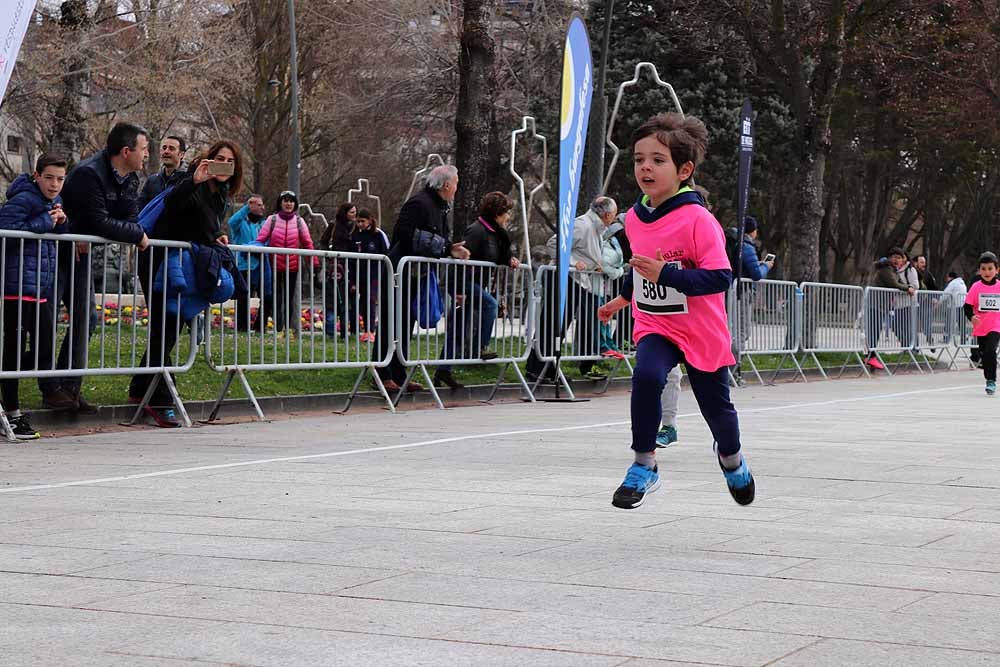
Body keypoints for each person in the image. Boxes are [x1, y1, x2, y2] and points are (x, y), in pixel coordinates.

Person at [597, 112, 754, 509]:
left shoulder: (699, 220)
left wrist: (668, 273)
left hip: (700, 328)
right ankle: (644, 465)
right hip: (657, 323)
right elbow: (641, 271)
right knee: (647, 375)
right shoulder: (634, 218)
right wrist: (623, 298)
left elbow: (721, 278)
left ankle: (731, 459)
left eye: (657, 160)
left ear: (684, 170)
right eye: (638, 159)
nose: (645, 167)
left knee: (717, 412)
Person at [128, 139, 244, 426]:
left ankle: (140, 390)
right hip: (161, 261)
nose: (224, 165)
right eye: (220, 158)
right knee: (164, 329)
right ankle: (160, 398)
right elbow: (175, 207)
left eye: (230, 161)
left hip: (184, 264)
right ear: (208, 158)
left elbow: (200, 225)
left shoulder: (222, 193)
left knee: (168, 330)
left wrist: (216, 234)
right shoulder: (190, 180)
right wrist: (194, 180)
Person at [39, 122, 151, 414]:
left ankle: (70, 388)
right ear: (126, 151)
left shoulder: (129, 179)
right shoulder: (90, 173)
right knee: (48, 319)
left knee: (86, 318)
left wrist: (128, 230)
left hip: (82, 253)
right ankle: (50, 388)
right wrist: (134, 236)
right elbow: (100, 221)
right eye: (143, 149)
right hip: (59, 249)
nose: (146, 155)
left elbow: (130, 218)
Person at [378, 165, 470, 393]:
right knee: (391, 323)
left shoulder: (440, 207)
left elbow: (438, 240)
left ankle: (399, 374)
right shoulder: (420, 203)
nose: (457, 188)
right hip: (400, 272)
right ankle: (383, 374)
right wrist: (446, 247)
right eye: (456, 183)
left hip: (415, 272)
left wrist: (448, 248)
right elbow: (403, 234)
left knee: (405, 325)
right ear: (446, 185)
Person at [0, 155, 69, 439]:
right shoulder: (24, 199)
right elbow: (5, 230)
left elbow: (53, 233)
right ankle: (13, 413)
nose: (55, 184)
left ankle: (7, 394)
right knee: (14, 350)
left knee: (42, 352)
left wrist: (62, 222)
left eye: (60, 179)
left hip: (38, 289)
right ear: (36, 175)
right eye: (49, 177)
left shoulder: (51, 202)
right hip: (15, 288)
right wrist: (44, 222)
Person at [433, 191, 520, 390]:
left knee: (459, 327)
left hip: (475, 283)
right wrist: (459, 290)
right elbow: (461, 258)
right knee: (490, 304)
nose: (508, 217)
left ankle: (442, 371)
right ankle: (480, 347)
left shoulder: (497, 233)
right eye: (506, 212)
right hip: (462, 282)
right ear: (497, 212)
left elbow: (497, 256)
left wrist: (510, 259)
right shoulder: (477, 230)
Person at [257, 191, 319, 335]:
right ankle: (278, 329)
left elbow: (307, 243)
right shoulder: (271, 220)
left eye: (291, 201)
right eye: (285, 200)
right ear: (280, 203)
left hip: (292, 267)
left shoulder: (299, 222)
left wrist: (314, 264)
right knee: (276, 299)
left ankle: (288, 330)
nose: (288, 204)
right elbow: (260, 240)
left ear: (295, 204)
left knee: (290, 299)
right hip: (273, 266)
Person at [228, 194, 271, 332]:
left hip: (261, 265)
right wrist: (246, 208)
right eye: (258, 204)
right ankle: (242, 328)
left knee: (267, 296)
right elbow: (231, 222)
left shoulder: (264, 224)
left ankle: (260, 327)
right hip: (244, 265)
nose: (262, 207)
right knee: (243, 298)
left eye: (262, 204)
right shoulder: (240, 224)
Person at [864, 253, 914, 370]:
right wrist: (907, 288)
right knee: (873, 331)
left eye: (900, 258)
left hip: (882, 305)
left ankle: (870, 356)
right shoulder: (886, 269)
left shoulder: (892, 270)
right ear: (890, 258)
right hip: (876, 304)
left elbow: (897, 283)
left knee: (875, 331)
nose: (897, 260)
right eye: (895, 257)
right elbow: (893, 283)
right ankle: (870, 356)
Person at [320, 203, 359, 337]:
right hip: (335, 264)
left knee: (352, 297)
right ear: (345, 213)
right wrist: (328, 256)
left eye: (355, 212)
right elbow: (323, 241)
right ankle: (331, 331)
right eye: (352, 212)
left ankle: (352, 330)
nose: (355, 215)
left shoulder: (356, 226)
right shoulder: (334, 225)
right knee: (333, 295)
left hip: (352, 265)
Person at [964, 252, 1000, 395]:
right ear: (979, 270)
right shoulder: (976, 287)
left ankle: (991, 381)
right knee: (985, 353)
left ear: (997, 270)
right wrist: (972, 316)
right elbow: (966, 306)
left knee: (991, 350)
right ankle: (989, 375)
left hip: (996, 325)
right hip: (981, 326)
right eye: (983, 269)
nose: (987, 272)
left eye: (990, 268)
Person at [350, 208, 388, 343]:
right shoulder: (354, 236)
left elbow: (386, 254)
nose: (360, 224)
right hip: (360, 275)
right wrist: (353, 279)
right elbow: (352, 259)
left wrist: (383, 273)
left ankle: (371, 331)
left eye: (362, 221)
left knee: (370, 301)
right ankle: (366, 330)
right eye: (358, 221)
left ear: (370, 220)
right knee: (363, 303)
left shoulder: (378, 235)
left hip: (374, 275)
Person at [137, 135, 187, 211]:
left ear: (181, 154)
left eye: (171, 148)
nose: (166, 151)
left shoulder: (188, 181)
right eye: (164, 148)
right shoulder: (152, 180)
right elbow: (139, 208)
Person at [942, 271, 968, 344]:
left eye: (947, 277)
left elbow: (946, 293)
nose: (947, 279)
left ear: (951, 277)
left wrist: (939, 301)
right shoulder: (962, 283)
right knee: (962, 324)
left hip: (953, 306)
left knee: (948, 323)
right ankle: (963, 339)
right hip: (962, 306)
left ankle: (946, 338)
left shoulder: (952, 283)